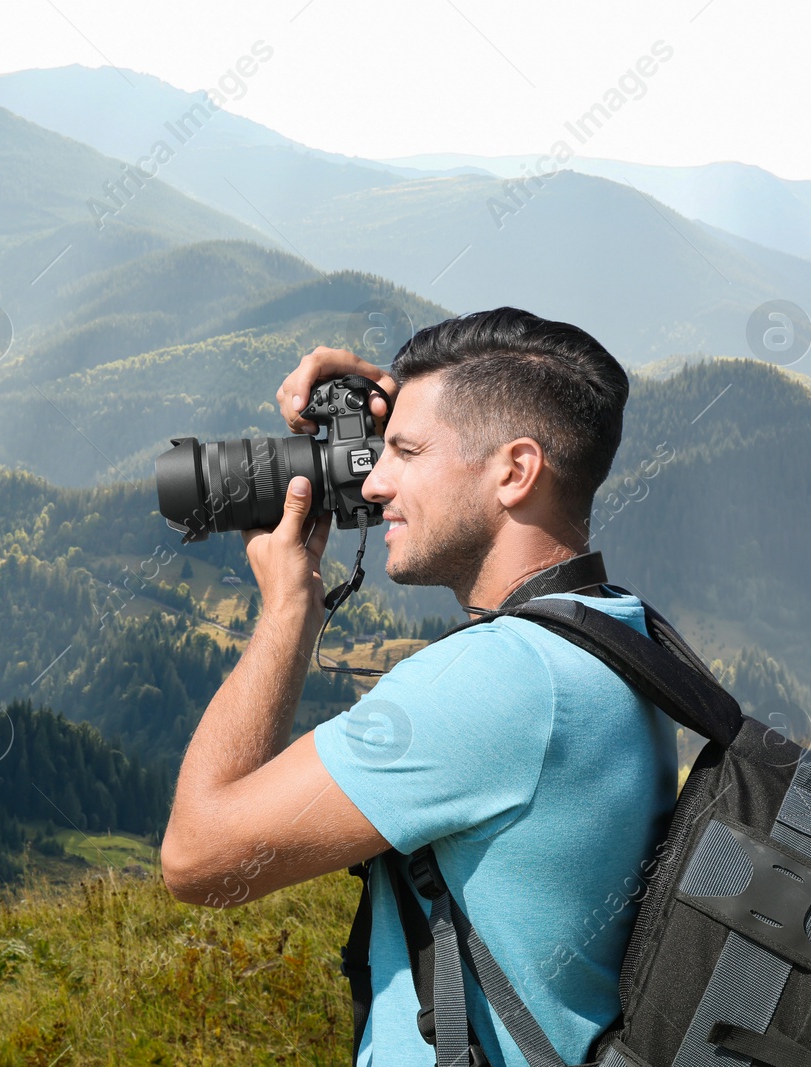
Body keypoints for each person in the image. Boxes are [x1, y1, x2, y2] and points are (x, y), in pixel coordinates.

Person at [160, 307, 681, 1067]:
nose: (374, 480)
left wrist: (289, 610)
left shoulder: (490, 685)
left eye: (404, 451)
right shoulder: (615, 632)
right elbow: (489, 407)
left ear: (515, 470)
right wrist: (386, 399)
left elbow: (197, 857)